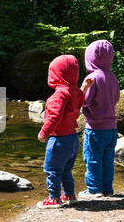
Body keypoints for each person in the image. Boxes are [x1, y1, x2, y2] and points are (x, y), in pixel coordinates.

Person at [37, 55, 93, 209]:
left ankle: (54, 199)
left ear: (55, 74)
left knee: (53, 170)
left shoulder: (58, 95)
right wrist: (84, 88)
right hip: (73, 140)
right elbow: (79, 99)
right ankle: (70, 195)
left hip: (59, 140)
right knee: (66, 170)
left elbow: (54, 117)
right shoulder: (74, 92)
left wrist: (43, 133)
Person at [78, 40, 120, 199]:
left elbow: (84, 101)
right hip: (112, 128)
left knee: (93, 158)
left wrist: (82, 92)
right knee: (108, 159)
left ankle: (94, 189)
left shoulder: (91, 78)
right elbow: (115, 99)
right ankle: (107, 189)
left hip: (95, 128)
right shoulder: (113, 78)